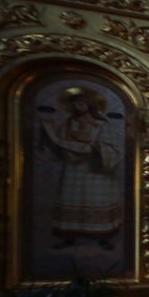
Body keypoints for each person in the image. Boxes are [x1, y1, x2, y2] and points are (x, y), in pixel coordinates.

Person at [38, 86, 123, 251]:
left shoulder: (102, 125)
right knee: (71, 200)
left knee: (98, 202)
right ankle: (69, 237)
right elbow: (57, 146)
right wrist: (49, 134)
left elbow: (115, 149)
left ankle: (103, 237)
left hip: (96, 172)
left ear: (90, 106)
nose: (77, 108)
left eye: (81, 105)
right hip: (74, 171)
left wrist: (92, 144)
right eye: (75, 105)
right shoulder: (68, 124)